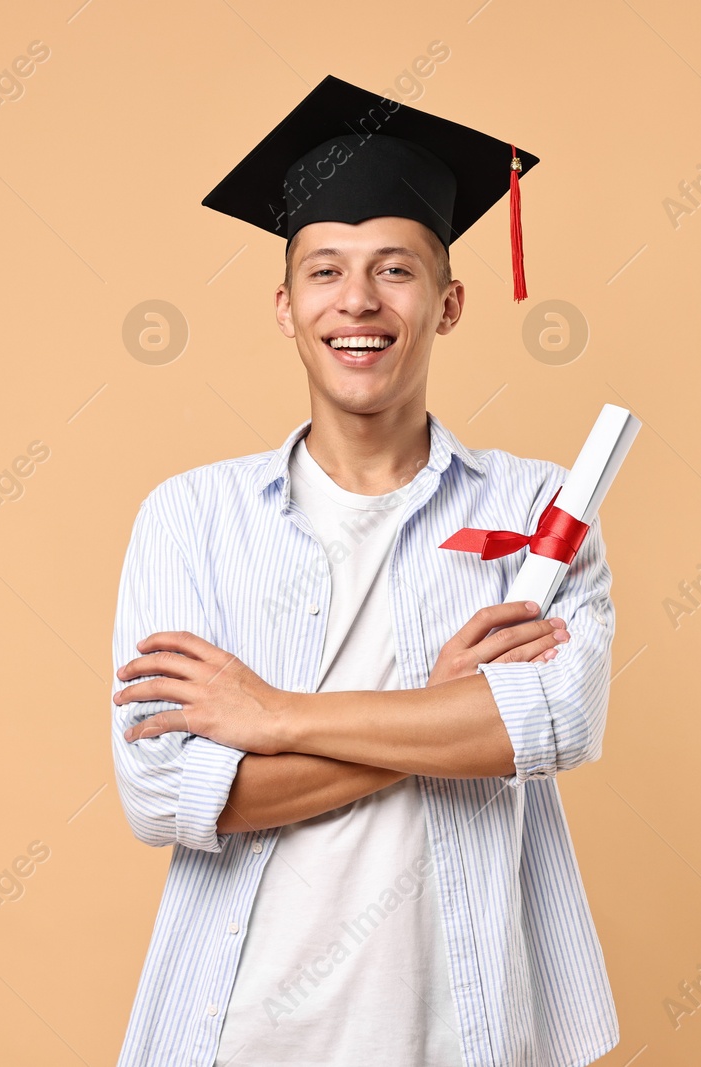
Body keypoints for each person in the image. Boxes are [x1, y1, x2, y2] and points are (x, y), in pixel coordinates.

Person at [111, 75, 620, 1067]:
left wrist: (273, 717)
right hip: (237, 1026)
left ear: (448, 300)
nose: (358, 301)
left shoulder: (533, 509)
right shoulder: (190, 517)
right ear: (285, 304)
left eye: (395, 269)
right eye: (325, 271)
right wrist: (436, 713)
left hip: (462, 1024)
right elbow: (166, 789)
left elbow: (552, 721)